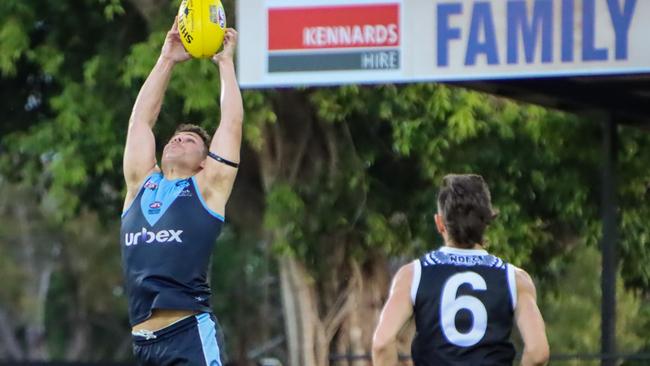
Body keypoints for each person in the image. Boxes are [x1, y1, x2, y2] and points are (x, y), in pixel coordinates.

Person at [120, 16, 242, 366]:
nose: (177, 140)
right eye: (175, 137)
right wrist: (167, 59)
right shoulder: (141, 185)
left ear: (205, 162)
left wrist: (225, 64)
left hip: (188, 336)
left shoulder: (208, 189)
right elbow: (141, 122)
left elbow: (231, 125)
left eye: (189, 140)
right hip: (142, 344)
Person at [372, 174, 549, 366]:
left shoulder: (413, 275)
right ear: (487, 222)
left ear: (440, 223)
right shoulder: (515, 279)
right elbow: (538, 352)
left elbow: (382, 344)